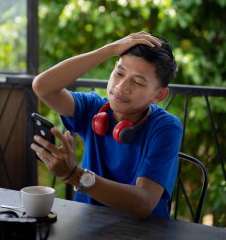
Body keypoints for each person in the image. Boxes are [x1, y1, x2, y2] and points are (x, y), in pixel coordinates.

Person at [31, 32, 183, 219]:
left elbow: (144, 202)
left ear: (159, 95)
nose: (121, 87)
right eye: (119, 73)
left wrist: (75, 175)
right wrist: (109, 50)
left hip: (143, 233)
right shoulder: (93, 108)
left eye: (137, 82)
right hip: (88, 227)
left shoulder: (166, 127)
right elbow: (42, 86)